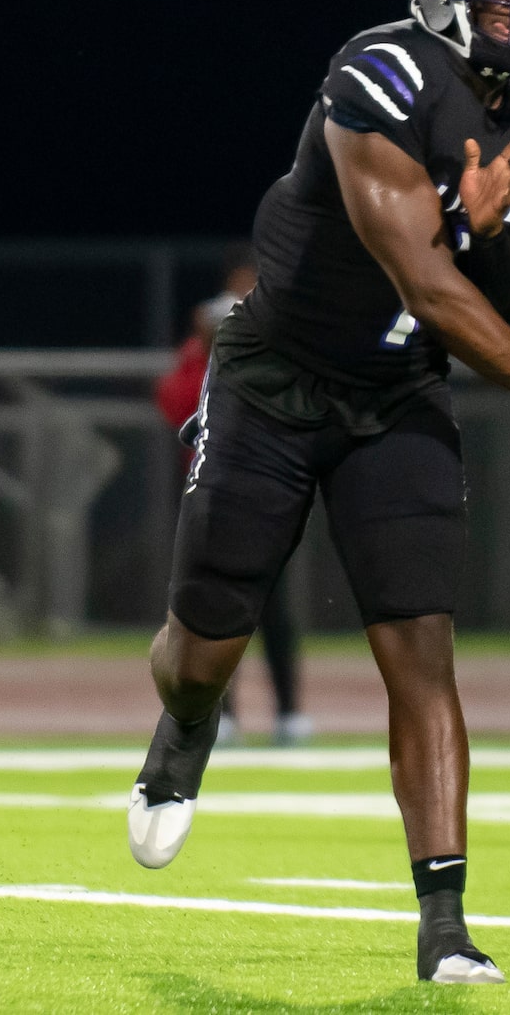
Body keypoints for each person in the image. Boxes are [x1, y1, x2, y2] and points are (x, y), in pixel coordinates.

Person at [127, 0, 510, 986]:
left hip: (397, 391)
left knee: (421, 649)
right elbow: (416, 272)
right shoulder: (381, 70)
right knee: (208, 638)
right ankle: (183, 732)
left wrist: (505, 227)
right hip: (275, 378)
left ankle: (444, 924)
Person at [153, 251, 311, 748]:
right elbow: (176, 405)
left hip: (270, 494)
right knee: (209, 608)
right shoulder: (199, 351)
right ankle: (218, 716)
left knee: (275, 611)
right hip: (210, 495)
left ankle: (287, 713)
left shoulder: (284, 346)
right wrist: (206, 347)